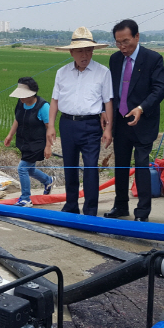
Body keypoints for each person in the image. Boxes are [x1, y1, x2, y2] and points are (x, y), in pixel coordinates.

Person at [103, 19, 164, 222]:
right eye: (118, 42)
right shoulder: (114, 60)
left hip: (143, 122)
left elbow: (159, 89)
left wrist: (141, 108)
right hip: (121, 122)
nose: (122, 47)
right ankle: (120, 206)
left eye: (126, 41)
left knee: (141, 166)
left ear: (137, 37)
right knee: (120, 166)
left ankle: (142, 212)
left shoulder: (153, 59)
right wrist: (106, 115)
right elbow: (111, 92)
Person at [47, 27, 113, 216]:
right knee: (70, 167)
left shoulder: (102, 72)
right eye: (80, 51)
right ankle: (71, 206)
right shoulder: (62, 72)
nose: (85, 55)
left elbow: (108, 101)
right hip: (67, 124)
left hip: (91, 125)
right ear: (71, 52)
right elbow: (55, 100)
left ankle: (90, 210)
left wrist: (108, 130)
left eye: (88, 50)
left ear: (93, 51)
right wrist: (50, 126)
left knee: (91, 168)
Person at [3, 77, 54, 207]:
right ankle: (48, 181)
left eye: (23, 96)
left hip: (37, 143)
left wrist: (48, 147)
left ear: (32, 93)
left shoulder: (43, 107)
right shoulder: (21, 103)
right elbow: (17, 120)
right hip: (24, 141)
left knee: (22, 168)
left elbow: (49, 128)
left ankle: (25, 198)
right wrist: (10, 135)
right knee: (29, 169)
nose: (21, 99)